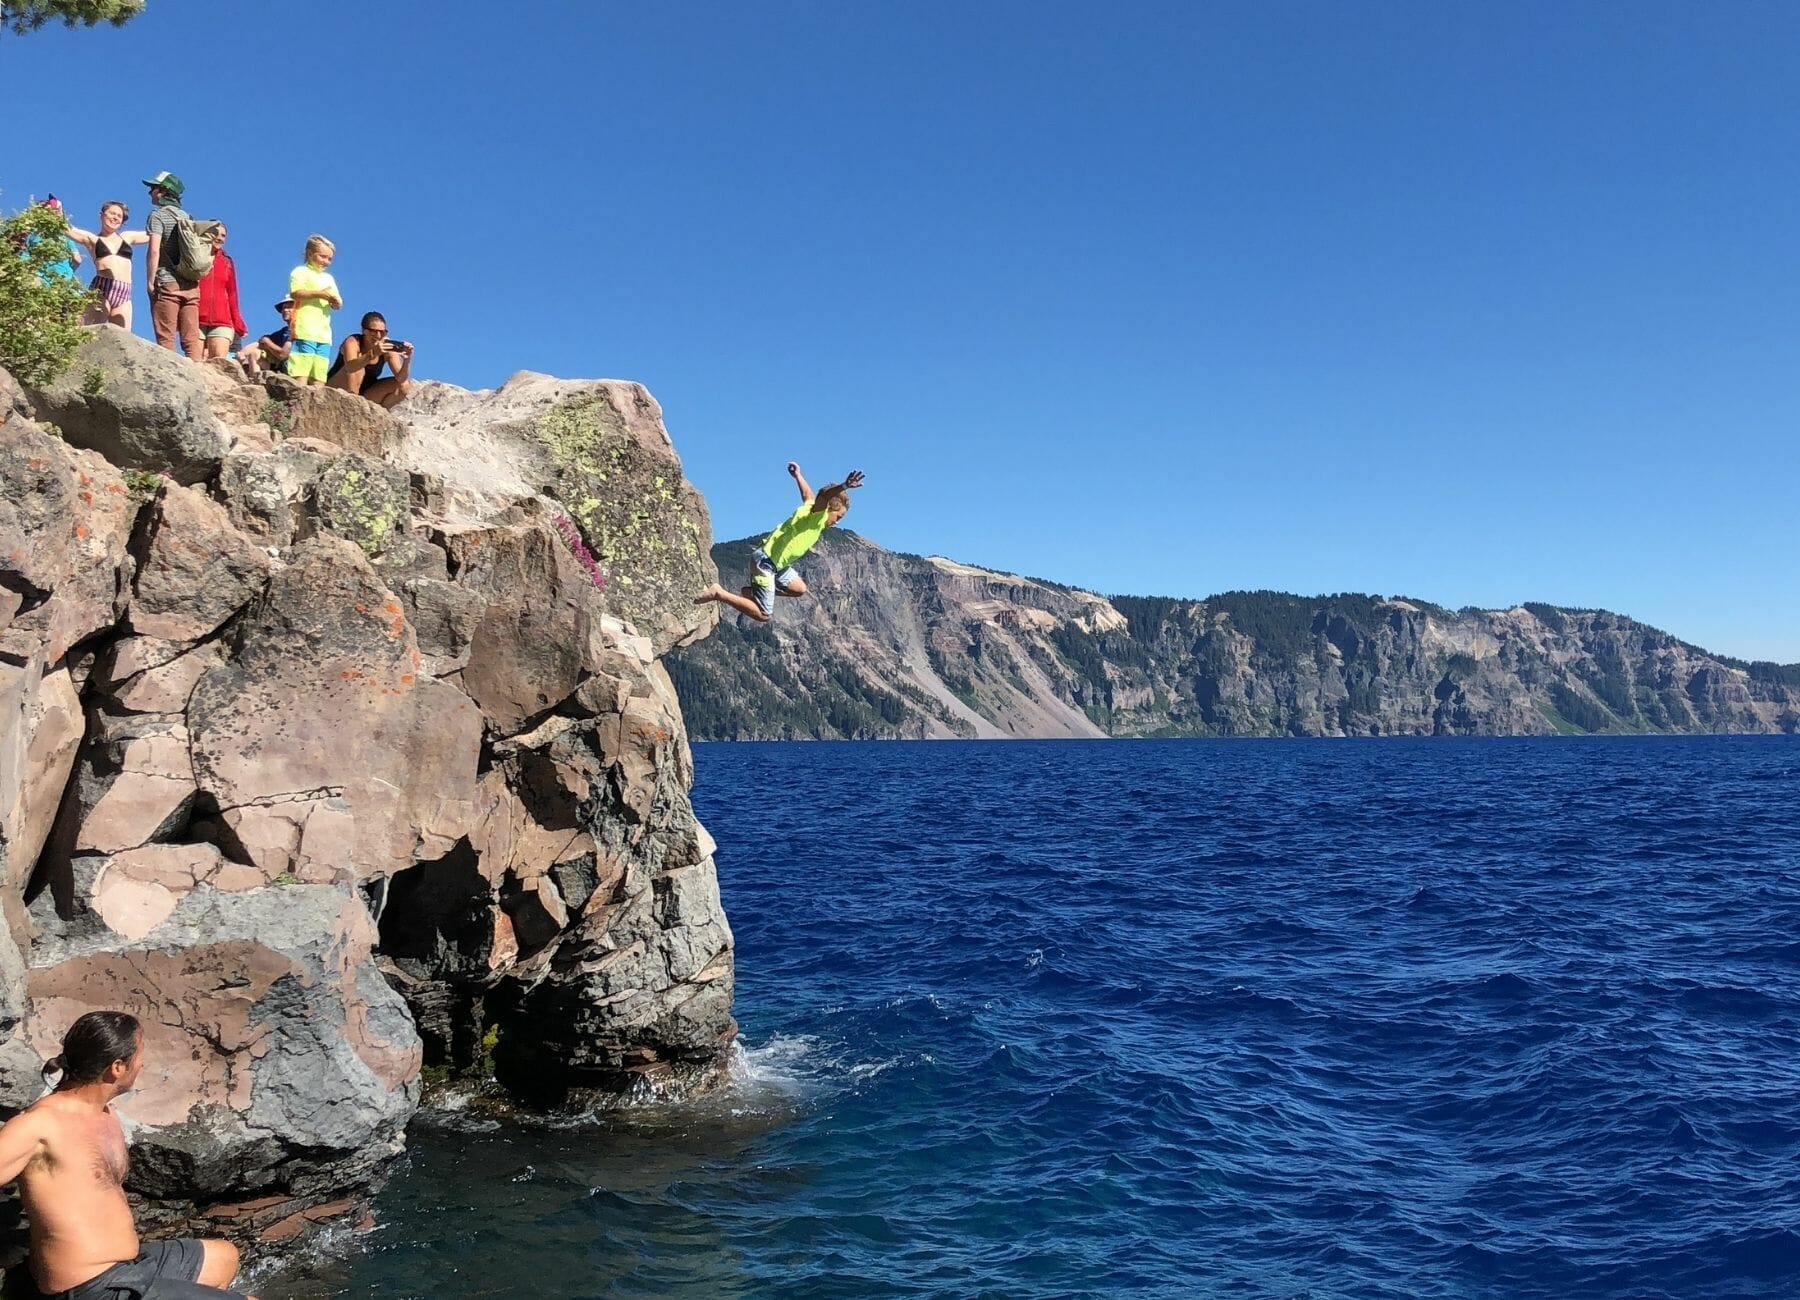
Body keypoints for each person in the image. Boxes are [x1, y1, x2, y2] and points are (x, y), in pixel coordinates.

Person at [0, 1012, 255, 1299]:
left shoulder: (105, 1113)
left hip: (127, 1267)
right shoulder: (39, 1126)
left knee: (223, 1258)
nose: (143, 1062)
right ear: (117, 1067)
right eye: (139, 1054)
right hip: (88, 1288)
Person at [693, 463, 866, 622]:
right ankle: (719, 593)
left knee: (799, 589)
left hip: (777, 565)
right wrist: (844, 486)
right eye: (838, 516)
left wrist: (798, 476)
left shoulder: (810, 508)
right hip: (766, 562)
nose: (837, 522)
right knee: (763, 614)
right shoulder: (817, 517)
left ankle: (753, 592)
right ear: (828, 509)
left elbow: (808, 494)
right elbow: (823, 496)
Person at [142, 171, 203, 358]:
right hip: (191, 285)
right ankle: (197, 381)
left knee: (166, 338)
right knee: (191, 340)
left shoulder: (157, 216)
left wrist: (151, 281)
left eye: (153, 188)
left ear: (163, 191)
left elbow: (154, 250)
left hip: (167, 282)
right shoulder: (188, 218)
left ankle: (172, 384)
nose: (150, 192)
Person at [66, 199, 148, 328]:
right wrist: (56, 211)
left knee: (123, 337)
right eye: (112, 213)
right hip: (102, 288)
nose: (115, 218)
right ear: (102, 215)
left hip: (124, 292)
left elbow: (154, 234)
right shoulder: (93, 239)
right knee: (92, 330)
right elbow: (70, 230)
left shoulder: (127, 237)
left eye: (119, 216)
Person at [327, 311, 413, 408]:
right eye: (373, 332)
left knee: (404, 386)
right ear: (364, 331)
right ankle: (350, 406)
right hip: (338, 386)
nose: (378, 336)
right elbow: (350, 367)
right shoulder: (353, 342)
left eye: (382, 332)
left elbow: (401, 378)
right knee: (359, 368)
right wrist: (372, 354)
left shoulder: (387, 348)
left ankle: (377, 414)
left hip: (366, 392)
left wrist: (407, 361)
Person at [285, 234, 340, 384]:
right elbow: (296, 292)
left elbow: (337, 302)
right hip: (305, 329)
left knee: (319, 371)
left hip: (323, 333)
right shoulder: (300, 272)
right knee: (302, 367)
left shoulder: (329, 279)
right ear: (310, 254)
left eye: (329, 259)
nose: (326, 262)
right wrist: (320, 294)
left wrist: (335, 302)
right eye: (323, 257)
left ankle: (317, 400)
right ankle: (298, 397)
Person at [196, 222, 248, 361]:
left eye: (223, 235)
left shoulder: (227, 262)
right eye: (215, 234)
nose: (219, 238)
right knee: (195, 361)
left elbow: (232, 294)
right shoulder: (194, 258)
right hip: (195, 316)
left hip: (222, 320)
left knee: (218, 362)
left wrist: (238, 322)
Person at [237, 296, 296, 377]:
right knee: (254, 353)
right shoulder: (283, 331)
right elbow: (260, 342)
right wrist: (242, 354)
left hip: (294, 368)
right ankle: (255, 381)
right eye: (283, 308)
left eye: (289, 307)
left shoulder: (298, 329)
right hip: (281, 367)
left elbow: (283, 355)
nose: (285, 310)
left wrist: (267, 342)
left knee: (259, 350)